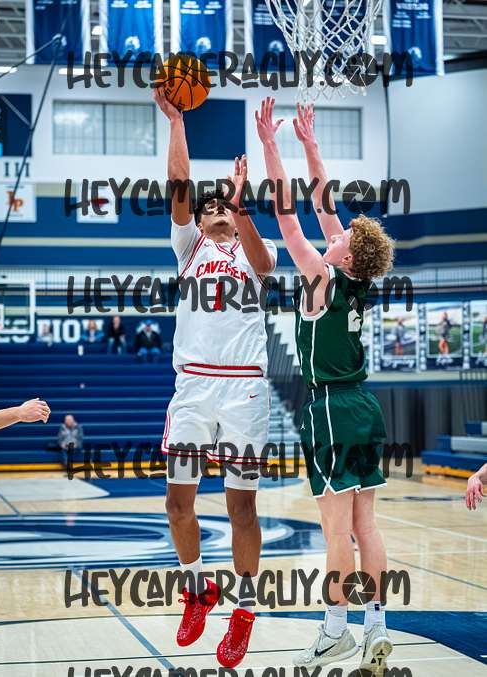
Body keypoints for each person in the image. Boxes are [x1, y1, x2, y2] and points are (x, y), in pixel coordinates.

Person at [256, 99, 395, 674]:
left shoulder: (320, 276)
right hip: (364, 406)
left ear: (346, 254)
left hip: (332, 409)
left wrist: (271, 145)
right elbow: (322, 202)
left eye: (341, 235)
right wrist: (310, 144)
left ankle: (335, 632)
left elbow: (289, 214)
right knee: (367, 525)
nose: (333, 231)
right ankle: (377, 626)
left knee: (336, 530)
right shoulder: (356, 281)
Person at [154, 86, 277, 668]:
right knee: (178, 503)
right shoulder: (189, 248)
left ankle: (244, 610)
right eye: (210, 209)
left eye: (223, 206)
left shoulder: (255, 248)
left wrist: (242, 204)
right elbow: (179, 184)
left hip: (244, 389)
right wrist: (177, 122)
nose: (216, 211)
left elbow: (266, 263)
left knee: (241, 509)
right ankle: (197, 588)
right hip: (194, 388)